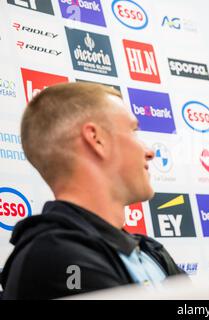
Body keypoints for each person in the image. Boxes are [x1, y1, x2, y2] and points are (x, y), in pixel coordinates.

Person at [0, 83, 185, 299]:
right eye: (133, 131)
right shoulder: (58, 257)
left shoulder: (151, 252)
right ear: (96, 139)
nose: (150, 152)